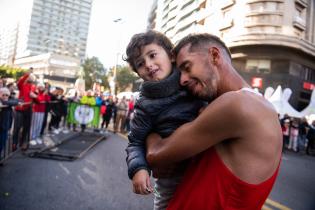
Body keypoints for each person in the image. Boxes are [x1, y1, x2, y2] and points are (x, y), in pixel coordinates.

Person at [146, 33, 282, 210]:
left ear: (214, 56)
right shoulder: (260, 107)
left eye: (187, 67)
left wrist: (149, 124)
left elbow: (155, 154)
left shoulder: (236, 105)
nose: (182, 80)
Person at [124, 30, 205, 210]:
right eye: (140, 63)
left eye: (152, 55)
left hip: (205, 167)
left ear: (170, 54)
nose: (149, 64)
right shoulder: (144, 105)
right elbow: (135, 141)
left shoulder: (191, 81)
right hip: (170, 179)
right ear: (138, 72)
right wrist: (138, 169)